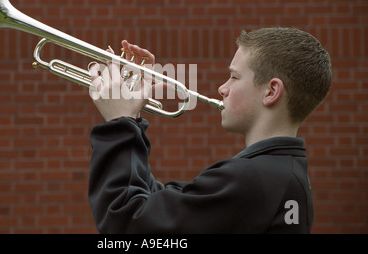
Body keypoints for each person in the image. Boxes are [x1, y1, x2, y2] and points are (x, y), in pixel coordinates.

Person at [87, 27, 332, 233]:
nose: (222, 88)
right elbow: (158, 209)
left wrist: (120, 123)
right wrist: (133, 118)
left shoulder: (250, 178)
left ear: (271, 91)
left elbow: (124, 223)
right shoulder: (279, 173)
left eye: (234, 77)